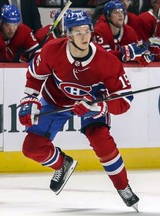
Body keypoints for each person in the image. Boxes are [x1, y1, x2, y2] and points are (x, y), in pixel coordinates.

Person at [18, 10, 140, 211]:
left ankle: (123, 187)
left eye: (87, 31)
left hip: (91, 103)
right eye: (78, 32)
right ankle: (61, 164)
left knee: (100, 138)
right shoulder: (52, 50)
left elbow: (125, 101)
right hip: (56, 100)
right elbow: (35, 75)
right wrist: (29, 97)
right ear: (68, 35)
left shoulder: (107, 62)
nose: (84, 36)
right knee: (31, 148)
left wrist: (100, 106)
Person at [93, 0, 149, 65]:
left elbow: (138, 51)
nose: (120, 15)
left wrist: (145, 54)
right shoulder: (100, 30)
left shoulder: (130, 31)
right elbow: (103, 55)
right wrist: (123, 54)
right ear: (108, 16)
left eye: (122, 12)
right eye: (116, 12)